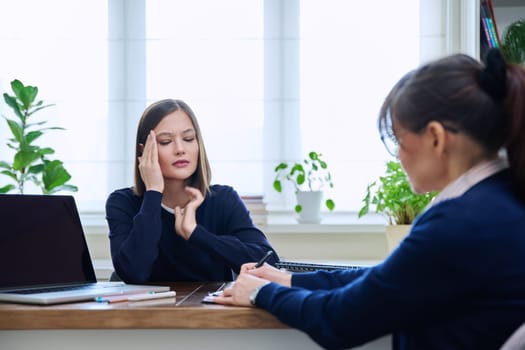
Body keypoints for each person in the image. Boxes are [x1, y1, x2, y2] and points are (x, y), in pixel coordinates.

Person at [213, 49, 525, 349]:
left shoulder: (459, 223)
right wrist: (288, 280)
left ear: (435, 137)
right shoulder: (499, 200)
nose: (399, 157)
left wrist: (262, 293)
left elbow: (341, 320)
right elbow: (386, 279)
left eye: (399, 141)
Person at [105, 99, 279, 283]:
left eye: (188, 139)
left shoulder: (223, 199)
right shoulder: (122, 202)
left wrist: (197, 234)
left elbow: (268, 264)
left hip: (210, 310)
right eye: (165, 141)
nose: (180, 149)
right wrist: (153, 192)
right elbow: (133, 272)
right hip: (147, 311)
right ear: (145, 151)